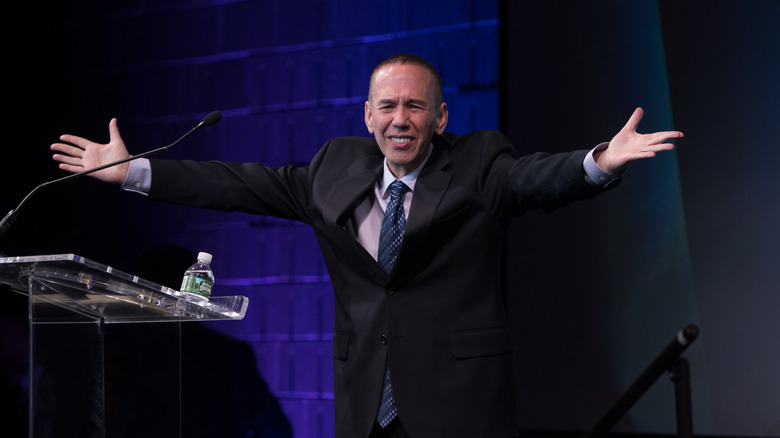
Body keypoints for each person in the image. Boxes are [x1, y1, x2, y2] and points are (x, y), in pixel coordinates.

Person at [51, 54, 683, 438]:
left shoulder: (479, 162)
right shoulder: (333, 170)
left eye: (415, 107)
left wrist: (599, 161)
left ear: (439, 118)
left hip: (458, 409)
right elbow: (241, 183)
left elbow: (534, 178)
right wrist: (134, 170)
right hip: (366, 405)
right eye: (387, 107)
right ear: (367, 115)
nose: (400, 119)